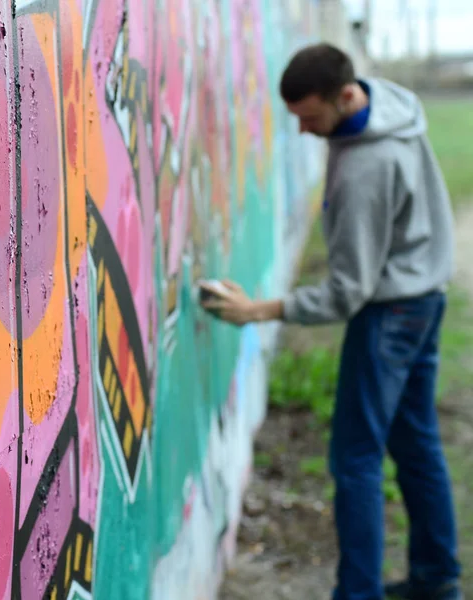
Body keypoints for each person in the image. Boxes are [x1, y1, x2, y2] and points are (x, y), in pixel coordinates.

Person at [201, 44, 462, 600]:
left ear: (345, 97)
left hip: (390, 313)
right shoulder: (393, 103)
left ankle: (359, 593)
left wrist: (260, 310)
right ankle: (437, 577)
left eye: (310, 119)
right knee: (415, 443)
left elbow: (348, 293)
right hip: (426, 297)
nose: (303, 132)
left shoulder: (365, 167)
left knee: (356, 459)